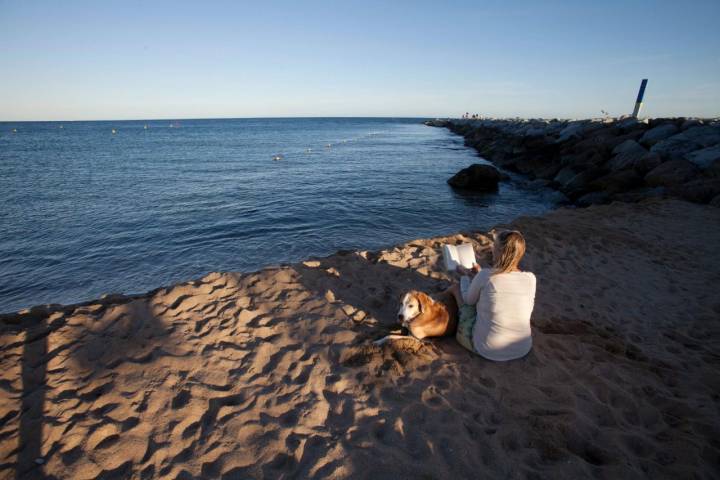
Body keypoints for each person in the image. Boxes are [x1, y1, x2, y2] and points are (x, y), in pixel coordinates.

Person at [447, 230, 536, 361]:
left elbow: (468, 301)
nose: (491, 248)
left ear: (499, 252)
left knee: (456, 289)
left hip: (487, 349)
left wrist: (465, 277)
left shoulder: (486, 276)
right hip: (522, 348)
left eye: (494, 246)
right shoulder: (530, 278)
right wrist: (478, 274)